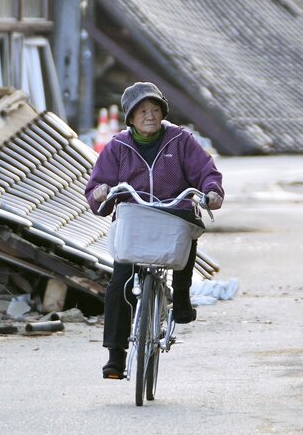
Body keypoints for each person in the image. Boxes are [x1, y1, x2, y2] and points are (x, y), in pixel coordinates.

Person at [84, 81, 225, 380]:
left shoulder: (180, 140)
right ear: (131, 119)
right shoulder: (118, 147)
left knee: (189, 231)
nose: (150, 116)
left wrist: (211, 191)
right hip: (134, 218)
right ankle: (115, 357)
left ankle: (182, 297)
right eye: (143, 111)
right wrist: (99, 193)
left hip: (173, 212)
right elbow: (96, 186)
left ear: (163, 112)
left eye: (155, 109)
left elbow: (205, 171)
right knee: (119, 283)